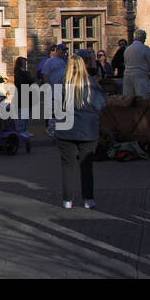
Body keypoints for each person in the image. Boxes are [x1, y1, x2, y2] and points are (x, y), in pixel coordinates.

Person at [55, 55, 105, 209]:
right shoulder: (91, 84)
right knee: (86, 165)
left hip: (66, 129)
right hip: (87, 129)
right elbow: (101, 105)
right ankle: (88, 199)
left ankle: (67, 200)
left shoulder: (62, 83)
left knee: (68, 166)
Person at [122, 29, 150, 101]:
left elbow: (125, 62)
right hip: (140, 75)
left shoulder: (127, 49)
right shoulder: (144, 48)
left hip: (127, 75)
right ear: (143, 38)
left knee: (128, 99)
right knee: (142, 99)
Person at [13, 57, 34, 152]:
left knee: (26, 114)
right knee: (23, 115)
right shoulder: (19, 73)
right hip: (22, 95)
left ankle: (24, 130)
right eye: (24, 63)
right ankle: (21, 130)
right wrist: (30, 80)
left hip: (27, 95)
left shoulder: (24, 72)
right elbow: (22, 83)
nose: (25, 65)